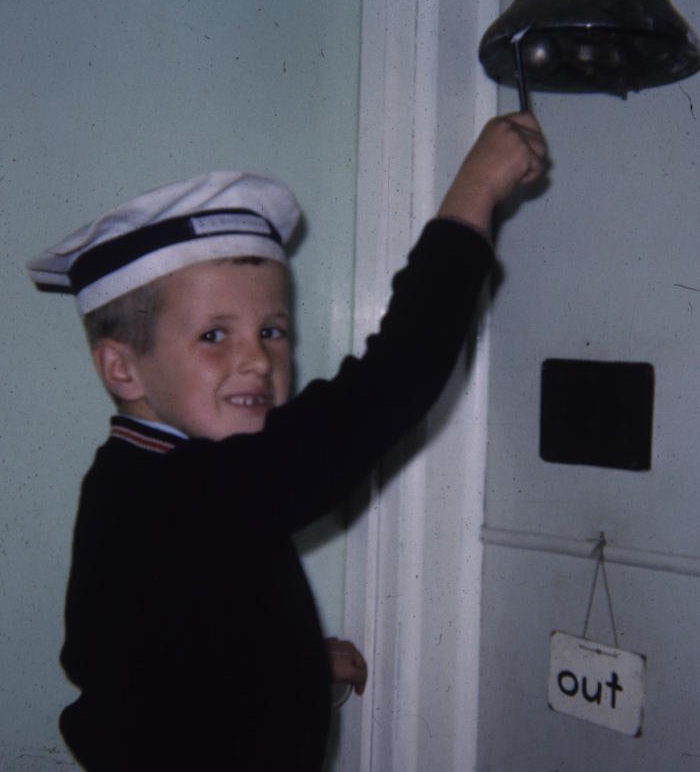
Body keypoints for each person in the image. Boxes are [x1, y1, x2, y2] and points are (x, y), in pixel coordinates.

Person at [27, 112, 547, 770]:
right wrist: (473, 193)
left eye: (271, 331)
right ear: (122, 368)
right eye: (214, 335)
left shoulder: (139, 473)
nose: (256, 361)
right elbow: (390, 384)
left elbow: (179, 627)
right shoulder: (196, 487)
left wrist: (279, 657)